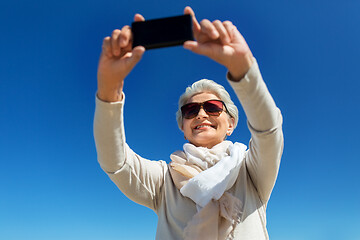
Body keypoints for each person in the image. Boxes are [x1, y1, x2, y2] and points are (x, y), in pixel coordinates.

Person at [94, 6, 283, 240]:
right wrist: (108, 89)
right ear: (183, 128)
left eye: (213, 107)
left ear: (231, 123)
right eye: (191, 110)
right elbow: (115, 162)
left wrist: (244, 69)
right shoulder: (165, 181)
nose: (202, 114)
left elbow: (268, 132)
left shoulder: (251, 170)